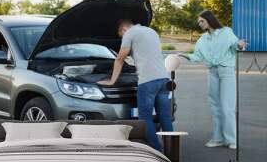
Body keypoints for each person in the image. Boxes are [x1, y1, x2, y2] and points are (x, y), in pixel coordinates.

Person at [97, 19, 173, 152]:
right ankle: (172, 150)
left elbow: (120, 58)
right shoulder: (151, 31)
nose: (122, 38)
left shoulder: (129, 34)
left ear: (123, 30)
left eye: (121, 36)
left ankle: (156, 151)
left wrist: (111, 81)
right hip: (164, 79)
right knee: (164, 116)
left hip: (148, 81)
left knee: (145, 118)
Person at [179, 10, 247, 149]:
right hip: (212, 72)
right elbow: (197, 56)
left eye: (201, 21)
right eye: (199, 22)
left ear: (209, 20)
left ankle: (232, 140)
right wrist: (183, 55)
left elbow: (235, 47)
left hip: (226, 72)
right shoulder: (203, 39)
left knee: (227, 106)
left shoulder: (226, 32)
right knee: (215, 106)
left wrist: (240, 45)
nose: (199, 24)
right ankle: (218, 138)